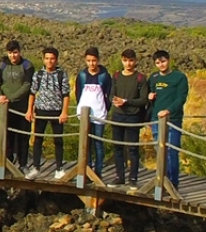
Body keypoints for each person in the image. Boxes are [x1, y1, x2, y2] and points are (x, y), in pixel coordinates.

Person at [26, 47, 70, 179]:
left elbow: (66, 95)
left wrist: (64, 112)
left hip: (56, 111)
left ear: (56, 60)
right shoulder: (38, 74)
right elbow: (32, 93)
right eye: (47, 58)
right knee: (38, 140)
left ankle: (59, 168)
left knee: (58, 140)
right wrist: (29, 110)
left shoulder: (61, 74)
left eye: (52, 59)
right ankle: (36, 167)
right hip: (40, 110)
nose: (49, 61)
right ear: (43, 59)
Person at [148, 50, 189, 189]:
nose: (161, 65)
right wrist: (150, 96)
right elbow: (148, 93)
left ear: (169, 60)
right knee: (159, 151)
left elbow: (181, 98)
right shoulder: (153, 78)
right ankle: (161, 180)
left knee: (171, 151)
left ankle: (173, 183)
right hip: (156, 119)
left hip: (173, 119)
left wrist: (168, 110)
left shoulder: (179, 77)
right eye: (158, 63)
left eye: (163, 61)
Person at [109, 49, 150, 187]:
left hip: (133, 117)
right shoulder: (115, 76)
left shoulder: (140, 78)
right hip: (117, 115)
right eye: (126, 60)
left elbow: (143, 100)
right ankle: (119, 176)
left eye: (131, 60)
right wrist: (115, 101)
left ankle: (133, 178)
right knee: (117, 148)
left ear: (136, 61)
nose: (128, 63)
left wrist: (126, 101)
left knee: (132, 148)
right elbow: (111, 94)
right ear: (122, 60)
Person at [0, 40, 34, 168]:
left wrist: (10, 98)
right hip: (6, 108)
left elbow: (27, 85)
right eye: (10, 53)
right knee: (7, 136)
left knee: (23, 137)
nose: (13, 56)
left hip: (23, 107)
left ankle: (23, 164)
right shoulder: (3, 65)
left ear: (19, 52)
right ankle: (7, 162)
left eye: (15, 53)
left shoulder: (27, 65)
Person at [74, 47, 112, 178]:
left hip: (99, 114)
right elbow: (78, 93)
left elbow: (109, 94)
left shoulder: (105, 76)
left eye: (94, 60)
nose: (91, 63)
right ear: (85, 61)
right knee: (86, 143)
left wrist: (106, 108)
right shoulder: (82, 76)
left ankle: (98, 172)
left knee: (98, 144)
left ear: (98, 60)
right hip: (85, 115)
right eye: (89, 61)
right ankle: (87, 170)